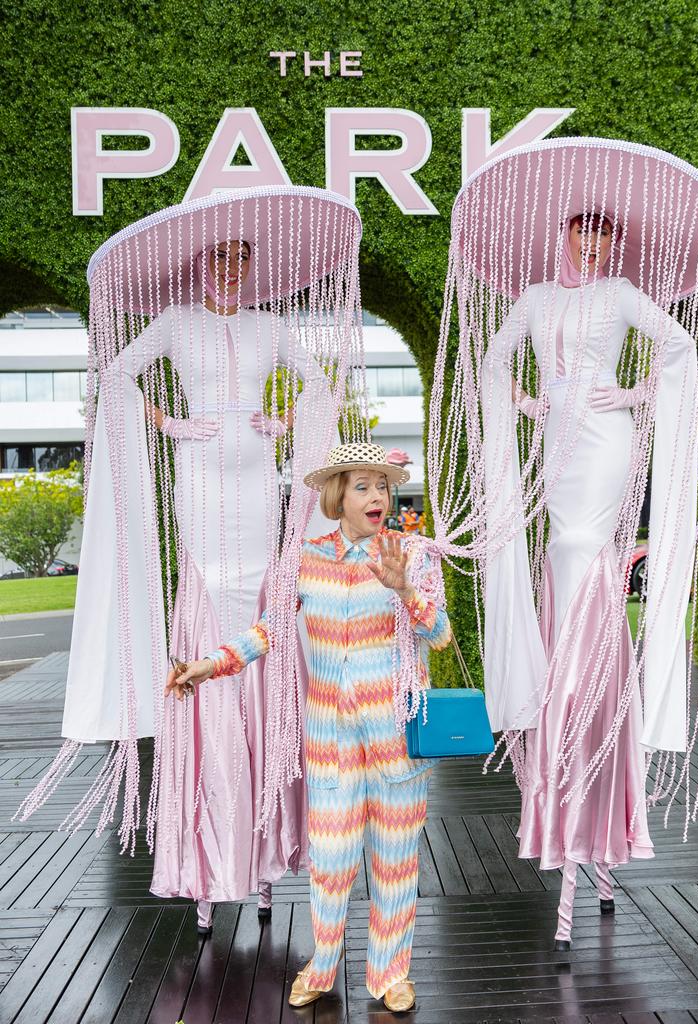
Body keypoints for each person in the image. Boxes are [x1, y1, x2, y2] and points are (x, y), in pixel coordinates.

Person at [90, 239, 331, 932]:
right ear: (199, 264)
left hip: (258, 476)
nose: (228, 270)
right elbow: (118, 371)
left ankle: (258, 859)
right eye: (218, 258)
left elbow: (319, 382)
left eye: (240, 260)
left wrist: (281, 422)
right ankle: (204, 865)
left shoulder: (271, 327)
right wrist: (169, 424)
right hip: (197, 478)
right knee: (208, 605)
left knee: (256, 615)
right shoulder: (174, 322)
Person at [167, 442, 452, 1012]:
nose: (378, 496)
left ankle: (391, 974)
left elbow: (440, 633)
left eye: (384, 485)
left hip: (397, 732)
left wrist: (404, 589)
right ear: (337, 495)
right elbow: (267, 630)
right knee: (331, 858)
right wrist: (209, 665)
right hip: (330, 739)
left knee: (394, 856)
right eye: (364, 485)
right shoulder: (301, 559)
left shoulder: (413, 554)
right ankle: (322, 966)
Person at [482, 212, 697, 949]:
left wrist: (637, 396)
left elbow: (679, 344)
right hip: (555, 438)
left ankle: (588, 694)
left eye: (604, 238)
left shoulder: (624, 295)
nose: (595, 248)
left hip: (606, 435)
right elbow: (494, 356)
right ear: (564, 236)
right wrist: (517, 398)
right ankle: (572, 712)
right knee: (563, 548)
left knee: (585, 547)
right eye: (584, 235)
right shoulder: (536, 299)